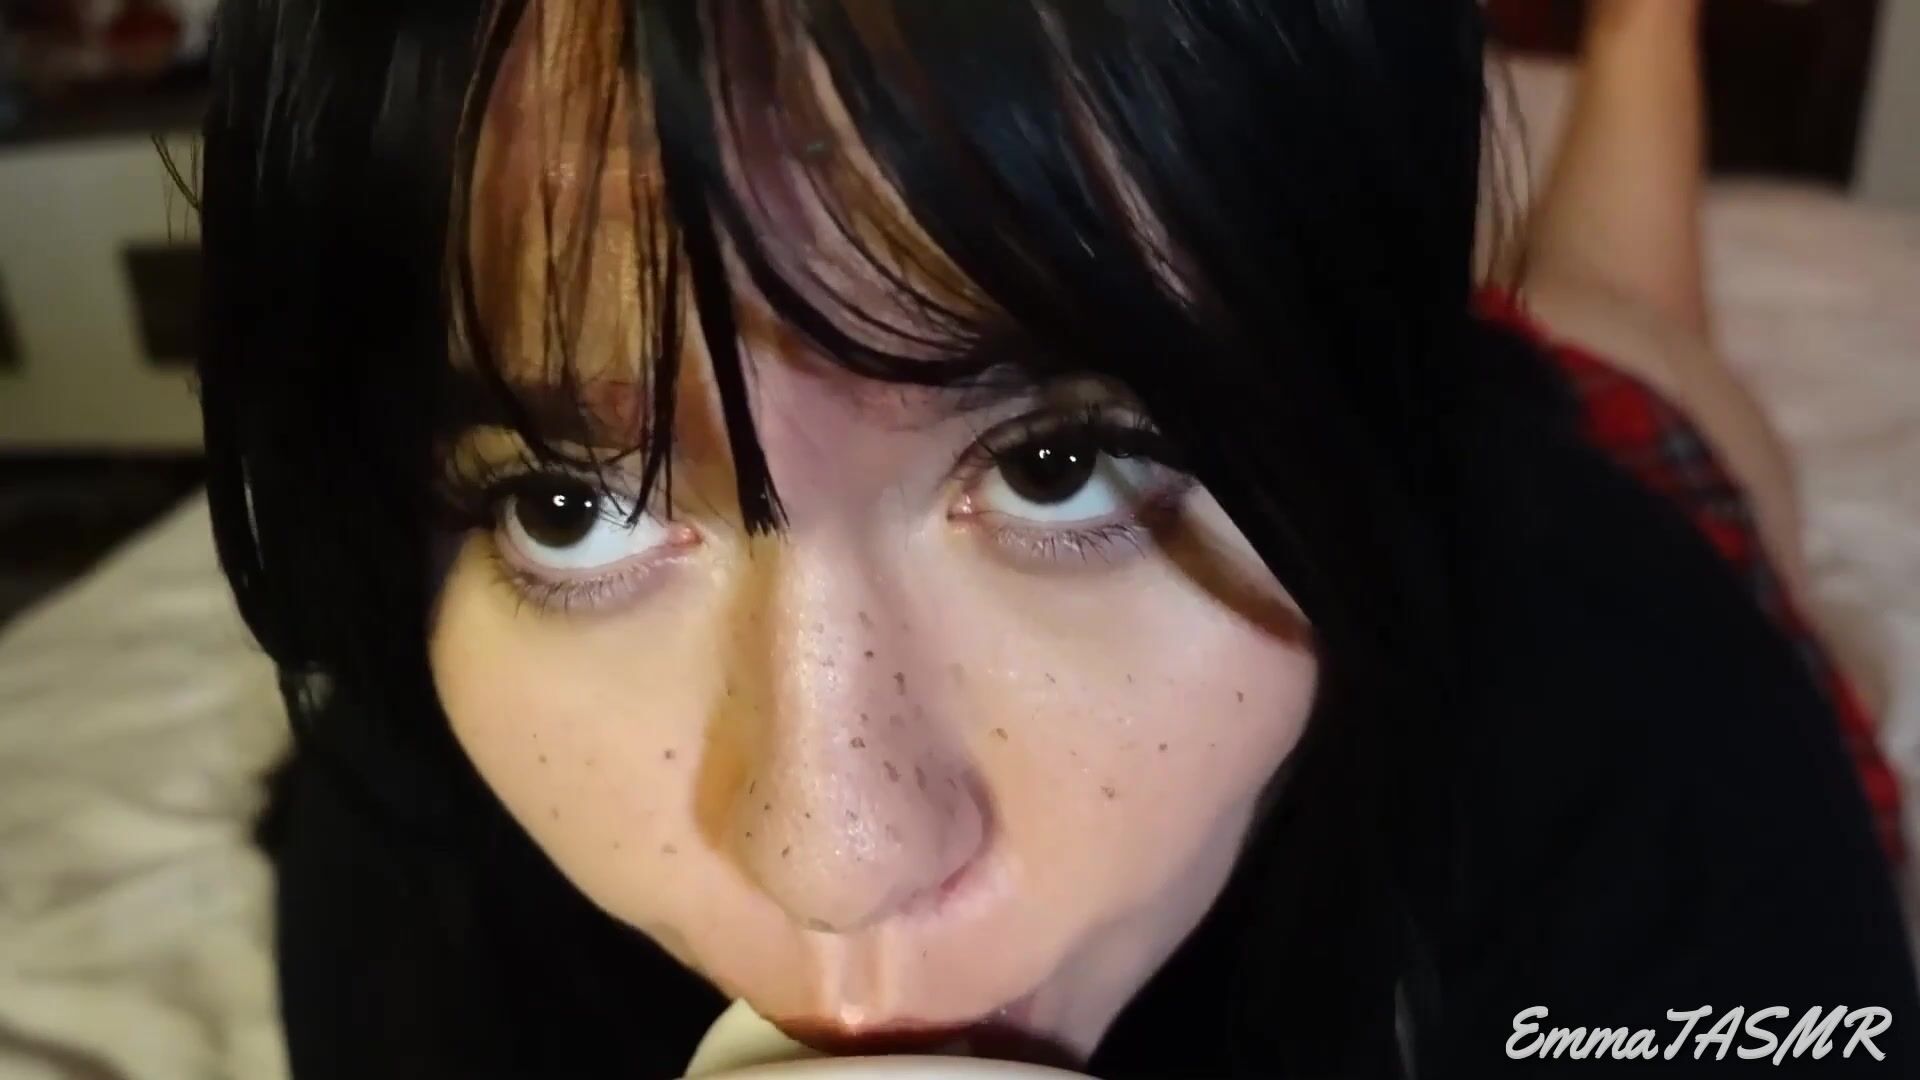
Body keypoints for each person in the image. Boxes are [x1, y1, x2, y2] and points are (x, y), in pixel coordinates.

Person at [195, 0, 1916, 1076]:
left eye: (1060, 466)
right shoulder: (410, 864)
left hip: (1577, 448)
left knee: (1631, 333)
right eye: (568, 505)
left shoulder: (1644, 732)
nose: (837, 861)